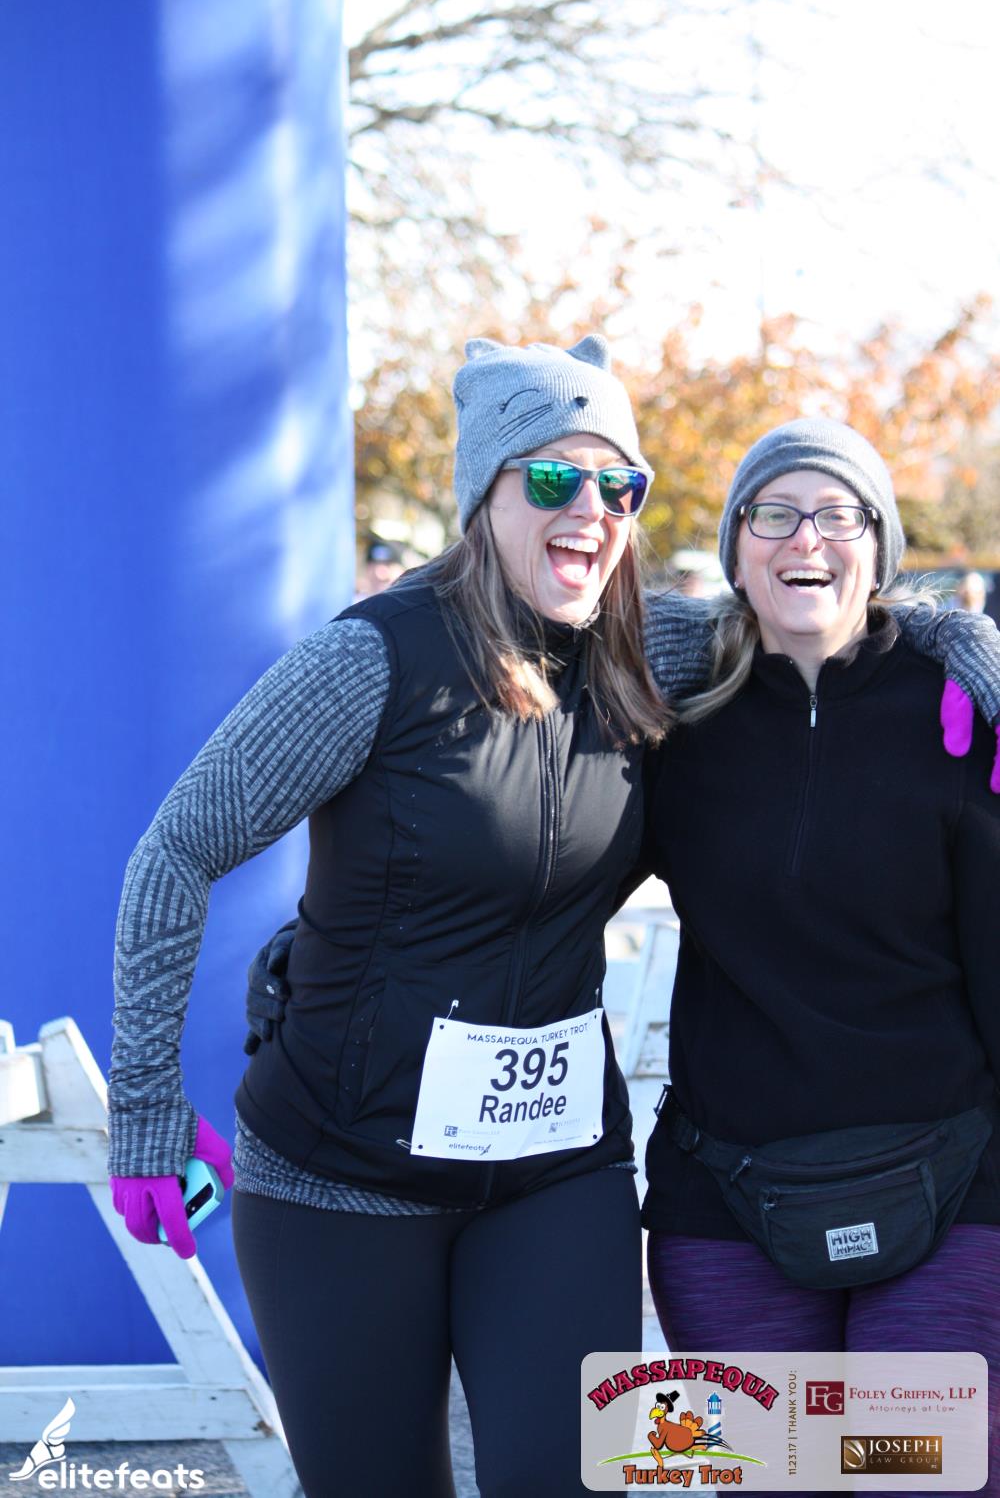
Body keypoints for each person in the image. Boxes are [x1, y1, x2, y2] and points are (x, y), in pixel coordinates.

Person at [109, 341, 1000, 1498]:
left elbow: (823, 609)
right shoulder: (370, 660)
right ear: (481, 495)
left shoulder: (640, 650)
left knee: (591, 1476)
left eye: (617, 485)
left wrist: (966, 644)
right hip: (346, 1169)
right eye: (550, 479)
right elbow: (176, 852)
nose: (589, 509)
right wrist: (144, 1112)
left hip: (553, 1177)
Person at [639, 419, 1000, 1491]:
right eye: (774, 514)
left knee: (908, 1475)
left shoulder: (959, 709)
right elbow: (536, 871)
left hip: (951, 1183)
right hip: (725, 1199)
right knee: (754, 1478)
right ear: (736, 549)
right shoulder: (670, 720)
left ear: (878, 546)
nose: (807, 537)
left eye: (839, 514)